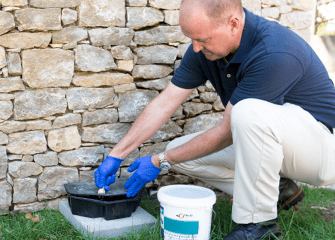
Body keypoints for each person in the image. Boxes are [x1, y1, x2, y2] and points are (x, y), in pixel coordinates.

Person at [95, 0, 335, 238]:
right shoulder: (206, 51)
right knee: (178, 152)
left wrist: (159, 161)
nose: (196, 48)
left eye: (203, 39)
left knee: (246, 112)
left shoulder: (274, 50)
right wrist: (117, 154)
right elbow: (165, 103)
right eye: (192, 39)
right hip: (282, 145)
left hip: (323, 150)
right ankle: (279, 189)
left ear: (233, 23)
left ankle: (259, 226)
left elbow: (226, 132)